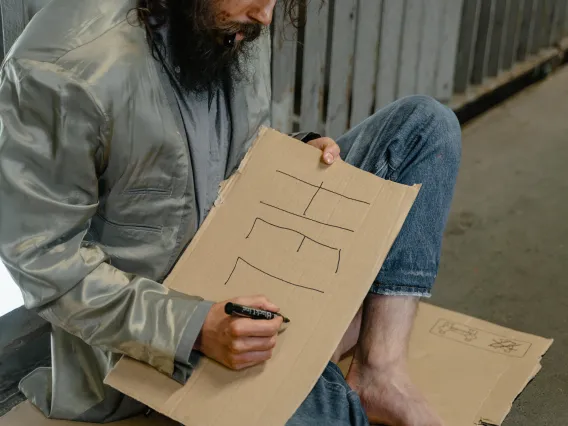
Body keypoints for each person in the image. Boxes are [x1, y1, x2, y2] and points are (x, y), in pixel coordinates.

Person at [0, 0, 461, 425]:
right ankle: (326, 351)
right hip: (156, 347)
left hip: (253, 269)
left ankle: (380, 370)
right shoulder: (60, 70)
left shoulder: (221, 18)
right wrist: (195, 328)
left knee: (426, 128)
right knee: (328, 418)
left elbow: (230, 153)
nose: (266, 14)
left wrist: (297, 156)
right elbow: (44, 263)